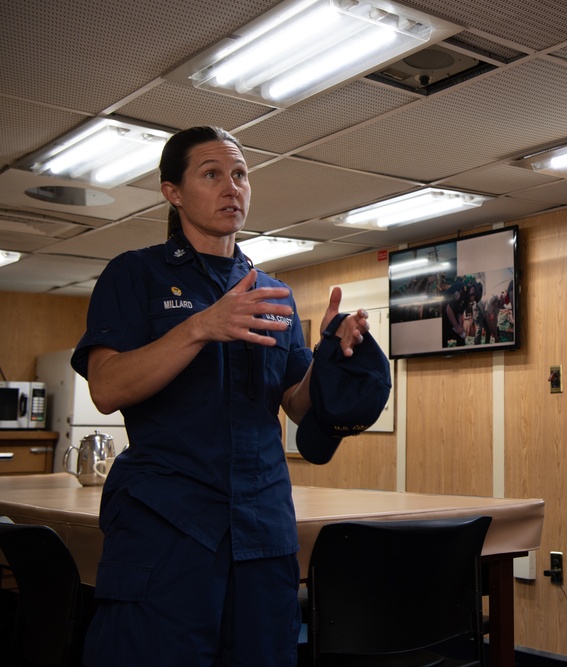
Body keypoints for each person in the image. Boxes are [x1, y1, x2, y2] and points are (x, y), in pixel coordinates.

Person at [71, 126, 371, 666]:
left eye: (239, 175)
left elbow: (297, 404)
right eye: (211, 174)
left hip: (262, 531)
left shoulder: (270, 292)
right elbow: (107, 388)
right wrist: (200, 326)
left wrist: (332, 355)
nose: (231, 187)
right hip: (167, 531)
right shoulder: (134, 274)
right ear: (174, 192)